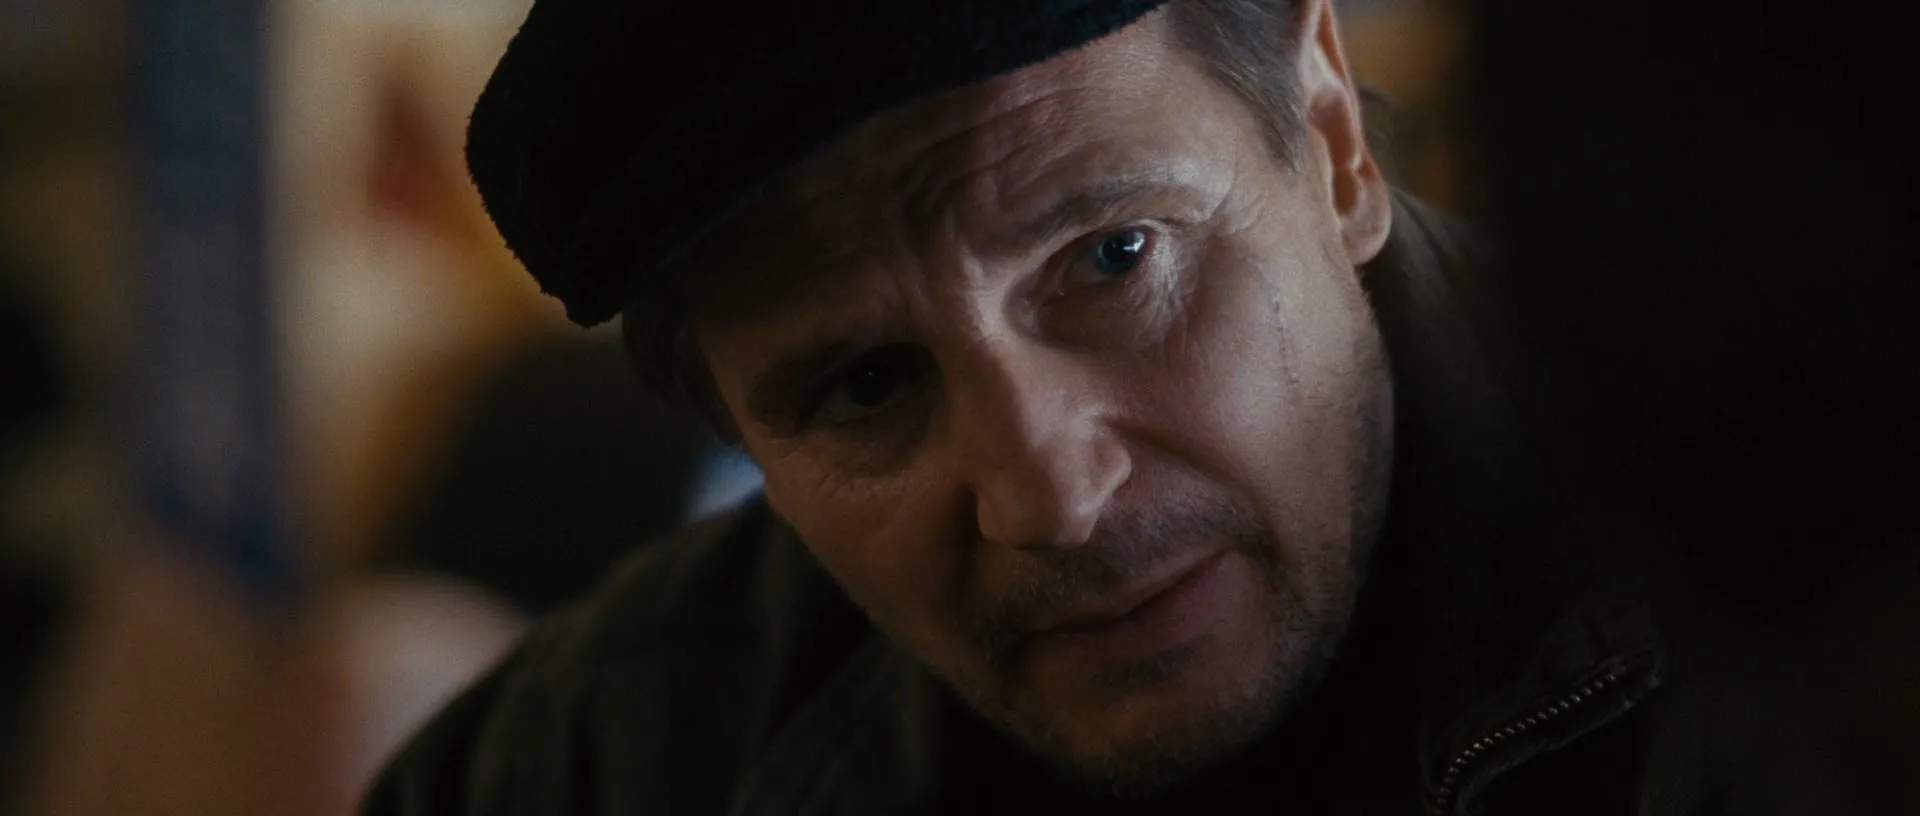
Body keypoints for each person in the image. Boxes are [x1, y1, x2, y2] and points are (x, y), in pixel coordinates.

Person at [361, 2, 1863, 813]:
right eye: (867, 385)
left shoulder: (1822, 630)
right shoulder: (615, 756)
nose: (1051, 498)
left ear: (1331, 138)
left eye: (1114, 259)